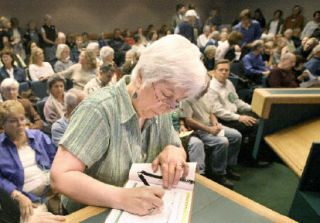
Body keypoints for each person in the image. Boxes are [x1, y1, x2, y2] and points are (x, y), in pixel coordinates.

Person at [50, 34, 208, 214]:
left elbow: (175, 144)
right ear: (141, 77)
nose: (170, 108)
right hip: (90, 214)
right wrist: (122, 197)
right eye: (166, 95)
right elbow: (60, 177)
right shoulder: (99, 109)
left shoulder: (158, 109)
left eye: (178, 100)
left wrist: (174, 151)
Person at [0, 100, 57, 222]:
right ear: (3, 124)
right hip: (27, 200)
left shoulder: (38, 136)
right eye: (13, 121)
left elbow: (56, 159)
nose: (20, 124)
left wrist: (57, 181)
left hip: (53, 191)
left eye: (22, 118)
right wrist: (17, 196)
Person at [208, 60, 268, 166]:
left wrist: (253, 108)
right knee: (257, 125)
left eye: (226, 70)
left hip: (235, 114)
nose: (224, 72)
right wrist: (239, 117)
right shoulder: (211, 88)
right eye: (221, 70)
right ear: (214, 72)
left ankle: (254, 153)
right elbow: (218, 111)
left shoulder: (228, 83)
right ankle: (249, 159)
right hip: (224, 120)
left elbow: (236, 101)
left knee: (262, 118)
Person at [180, 91, 242, 189]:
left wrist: (215, 123)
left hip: (210, 124)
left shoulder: (206, 95)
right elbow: (188, 120)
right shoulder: (187, 99)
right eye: (204, 86)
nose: (206, 89)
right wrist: (209, 129)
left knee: (236, 136)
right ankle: (218, 174)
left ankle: (228, 166)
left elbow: (211, 112)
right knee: (222, 142)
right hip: (199, 129)